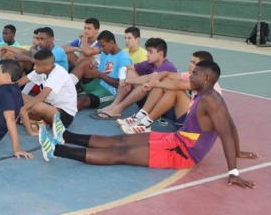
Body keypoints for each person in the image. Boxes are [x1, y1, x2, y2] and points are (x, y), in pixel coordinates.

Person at [38, 61, 258, 189]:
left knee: (119, 153)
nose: (190, 75)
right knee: (120, 140)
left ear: (208, 79)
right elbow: (232, 125)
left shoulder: (211, 99)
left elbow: (227, 131)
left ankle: (56, 150)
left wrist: (234, 171)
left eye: (195, 74)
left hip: (182, 153)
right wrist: (239, 151)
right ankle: (67, 136)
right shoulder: (204, 93)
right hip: (176, 140)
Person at [119, 51, 221, 134]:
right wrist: (156, 80)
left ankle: (145, 123)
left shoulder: (206, 82)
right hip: (188, 114)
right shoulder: (192, 75)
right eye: (190, 61)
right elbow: (166, 74)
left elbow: (177, 85)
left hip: (196, 126)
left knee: (175, 91)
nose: (190, 65)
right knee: (164, 82)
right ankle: (141, 116)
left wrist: (152, 84)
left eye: (194, 63)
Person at [94, 37, 177, 119]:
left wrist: (128, 81)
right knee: (131, 72)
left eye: (150, 52)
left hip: (162, 108)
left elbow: (149, 78)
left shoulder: (167, 66)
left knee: (144, 83)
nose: (147, 54)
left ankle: (118, 109)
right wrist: (123, 79)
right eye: (147, 51)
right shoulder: (149, 63)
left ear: (160, 54)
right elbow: (126, 68)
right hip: (146, 101)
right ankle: (115, 104)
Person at [17, 49, 78, 136]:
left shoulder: (58, 73)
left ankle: (25, 118)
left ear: (48, 66)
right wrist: (4, 89)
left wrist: (23, 109)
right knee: (16, 94)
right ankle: (36, 121)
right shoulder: (42, 69)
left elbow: (41, 97)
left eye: (37, 65)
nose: (34, 67)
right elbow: (19, 83)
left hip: (64, 114)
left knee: (37, 107)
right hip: (50, 106)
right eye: (34, 64)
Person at [70, 30, 132, 111]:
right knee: (85, 63)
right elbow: (102, 72)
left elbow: (121, 85)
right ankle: (64, 88)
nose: (101, 49)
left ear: (112, 43)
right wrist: (95, 72)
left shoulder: (124, 59)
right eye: (100, 46)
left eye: (103, 46)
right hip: (98, 83)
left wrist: (99, 75)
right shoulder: (105, 53)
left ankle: (61, 115)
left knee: (82, 99)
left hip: (110, 93)